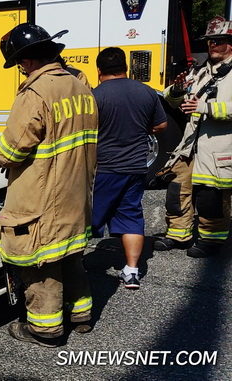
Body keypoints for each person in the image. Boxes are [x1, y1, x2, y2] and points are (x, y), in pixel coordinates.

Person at [0, 23, 98, 347]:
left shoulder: (36, 92)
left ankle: (45, 329)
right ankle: (81, 315)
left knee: (42, 262)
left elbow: (12, 148)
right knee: (70, 255)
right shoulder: (81, 87)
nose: (21, 70)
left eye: (19, 64)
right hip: (76, 190)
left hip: (44, 194)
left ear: (27, 60)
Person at [155, 16, 232, 257]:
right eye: (209, 41)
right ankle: (179, 235)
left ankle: (212, 240)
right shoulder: (200, 70)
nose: (212, 46)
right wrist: (177, 90)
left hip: (219, 145)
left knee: (211, 195)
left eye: (218, 41)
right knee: (177, 189)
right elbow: (170, 97)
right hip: (190, 145)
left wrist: (205, 108)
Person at [91, 47, 168, 289]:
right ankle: (132, 270)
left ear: (99, 69)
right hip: (135, 166)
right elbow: (161, 125)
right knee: (131, 214)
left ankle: (75, 267)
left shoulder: (95, 95)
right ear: (125, 67)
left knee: (89, 217)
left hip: (104, 167)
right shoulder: (145, 91)